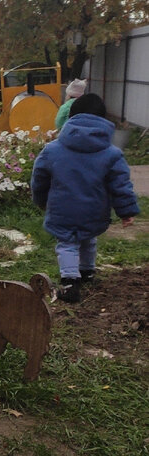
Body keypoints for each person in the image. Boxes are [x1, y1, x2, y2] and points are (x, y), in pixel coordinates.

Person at [31, 92, 139, 303]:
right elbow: (121, 185)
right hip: (95, 210)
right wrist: (126, 211)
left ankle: (70, 282)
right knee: (88, 238)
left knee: (67, 243)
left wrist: (40, 199)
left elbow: (39, 178)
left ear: (70, 118)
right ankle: (87, 271)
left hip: (63, 209)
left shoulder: (52, 150)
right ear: (103, 120)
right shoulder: (111, 153)